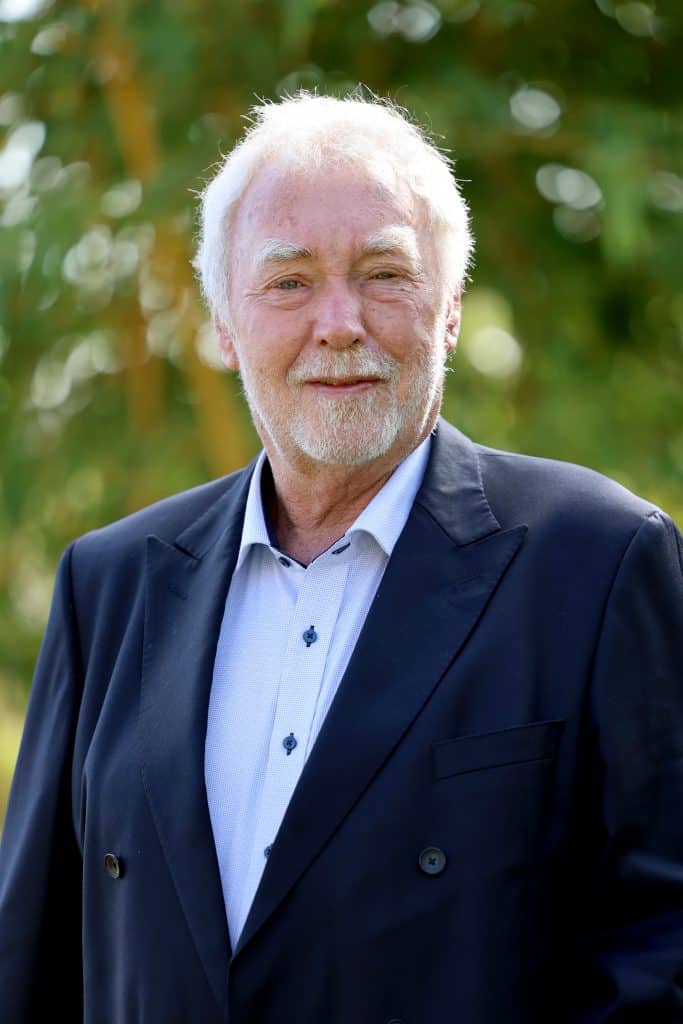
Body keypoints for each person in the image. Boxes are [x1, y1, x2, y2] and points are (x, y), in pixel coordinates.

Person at [1, 92, 682, 1024]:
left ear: (448, 308)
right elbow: (31, 964)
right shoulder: (108, 584)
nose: (338, 323)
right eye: (288, 282)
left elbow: (661, 954)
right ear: (224, 326)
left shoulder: (599, 561)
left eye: (383, 273)